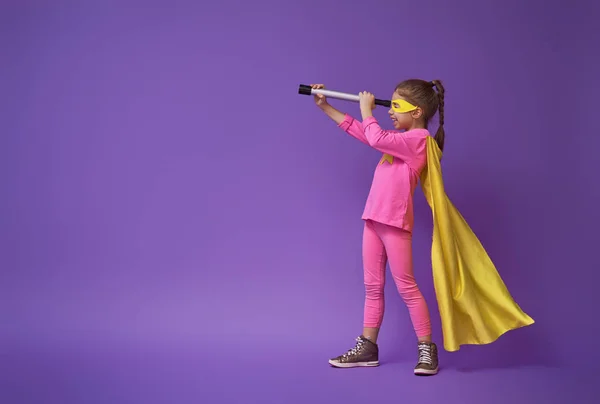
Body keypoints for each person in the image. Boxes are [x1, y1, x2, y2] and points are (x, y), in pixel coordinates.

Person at [311, 79, 534, 376]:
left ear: (416, 112)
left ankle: (427, 349)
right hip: (373, 220)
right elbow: (362, 132)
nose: (390, 111)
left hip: (395, 223)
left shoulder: (418, 141)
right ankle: (368, 346)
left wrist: (368, 111)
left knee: (407, 287)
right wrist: (326, 106)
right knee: (373, 287)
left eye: (396, 106)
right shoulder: (398, 139)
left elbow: (374, 136)